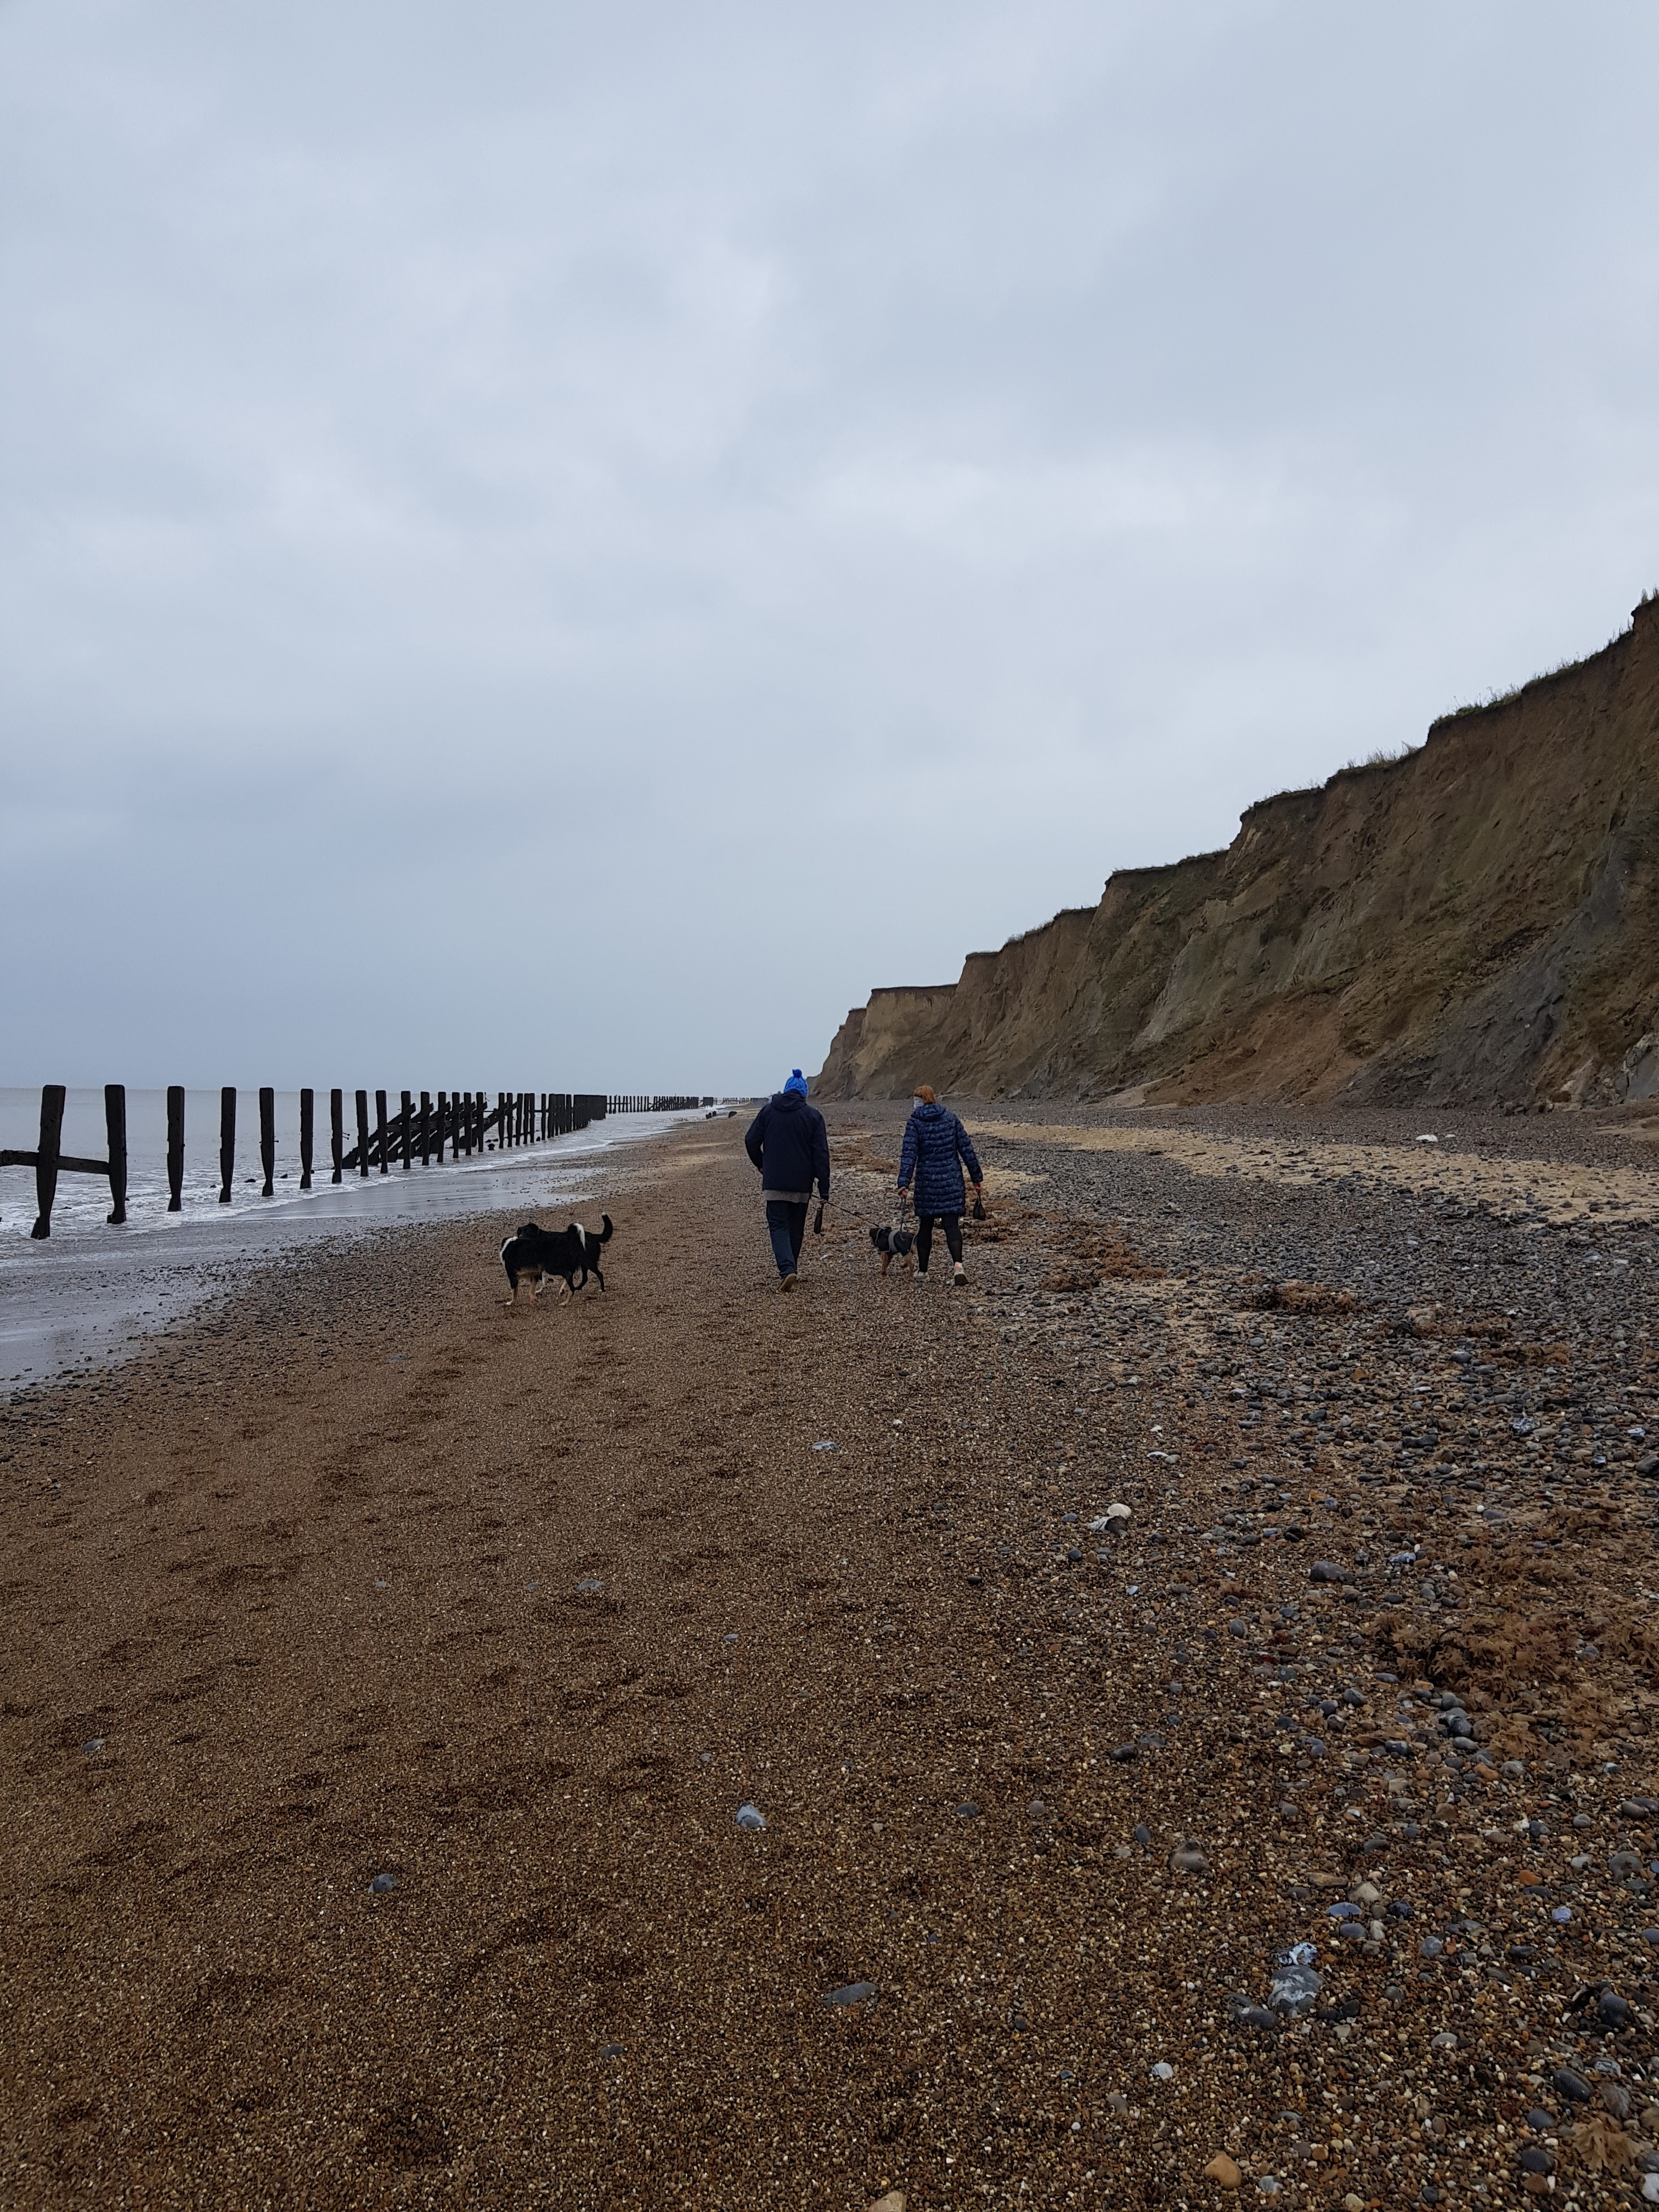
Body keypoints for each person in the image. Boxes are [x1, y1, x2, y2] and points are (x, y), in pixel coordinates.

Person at [744, 1070, 830, 1293]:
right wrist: (824, 1188)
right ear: (804, 1095)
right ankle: (791, 1268)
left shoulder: (768, 1111)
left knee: (778, 1226)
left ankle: (787, 1269)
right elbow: (821, 1154)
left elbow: (751, 1140)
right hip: (802, 1184)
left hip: (775, 1182)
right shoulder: (813, 1116)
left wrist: (761, 1164)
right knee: (795, 1228)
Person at [896, 1085, 983, 1286]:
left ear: (919, 1101)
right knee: (951, 1225)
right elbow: (967, 1149)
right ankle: (958, 1267)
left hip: (927, 1182)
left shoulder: (915, 1123)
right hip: (951, 1180)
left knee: (925, 1226)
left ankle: (923, 1271)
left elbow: (909, 1155)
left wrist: (904, 1183)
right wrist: (976, 1177)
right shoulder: (950, 1119)